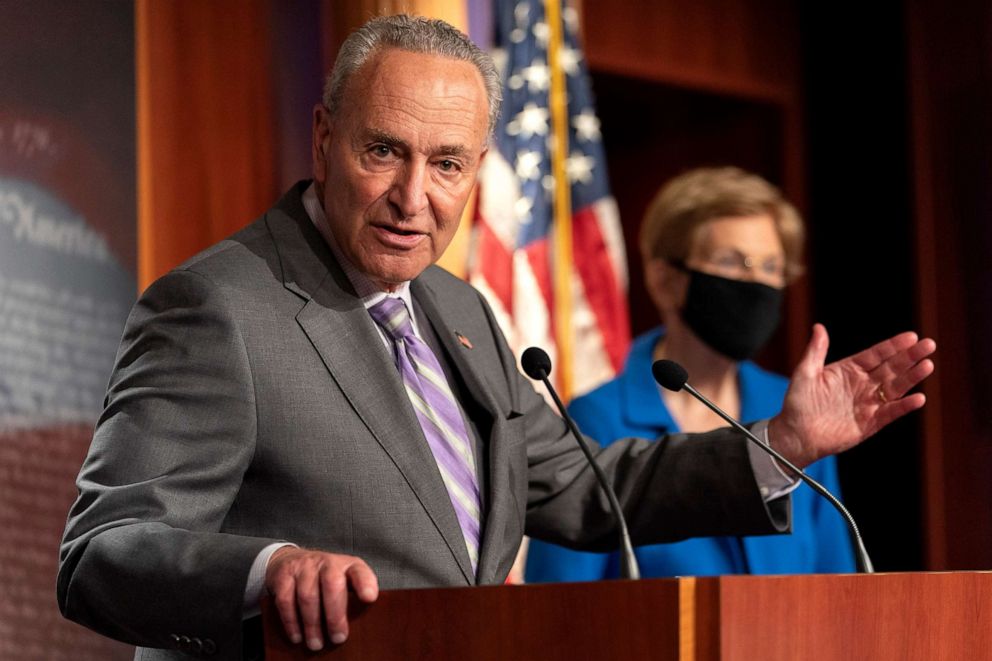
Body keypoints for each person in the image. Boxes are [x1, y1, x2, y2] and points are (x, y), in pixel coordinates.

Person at [56, 15, 935, 661]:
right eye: (382, 152)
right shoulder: (216, 306)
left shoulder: (461, 310)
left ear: (477, 168)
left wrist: (778, 445)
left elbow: (594, 487)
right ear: (323, 139)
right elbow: (101, 551)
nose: (414, 197)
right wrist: (265, 569)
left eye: (446, 164)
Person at [526, 167, 855, 582]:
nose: (755, 283)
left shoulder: (790, 408)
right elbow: (560, 605)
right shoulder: (600, 418)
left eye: (771, 266)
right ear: (665, 280)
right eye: (731, 262)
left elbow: (838, 584)